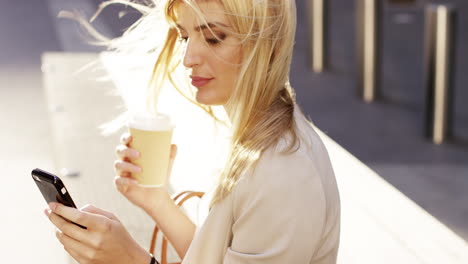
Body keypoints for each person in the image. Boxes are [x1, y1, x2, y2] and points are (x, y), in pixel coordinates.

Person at [45, 0, 341, 263]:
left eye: (213, 37)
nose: (188, 58)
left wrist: (127, 259)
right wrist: (157, 200)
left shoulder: (281, 172)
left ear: (266, 43)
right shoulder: (258, 135)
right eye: (185, 36)